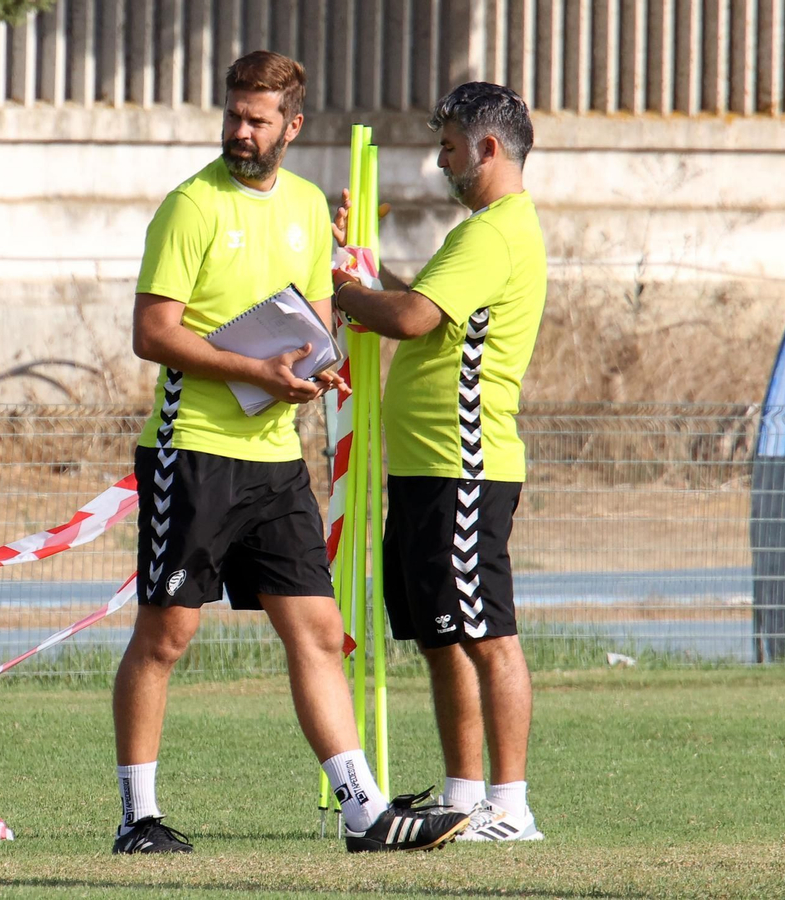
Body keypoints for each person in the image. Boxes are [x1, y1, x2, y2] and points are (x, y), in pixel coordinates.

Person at [111, 49, 470, 855]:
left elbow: (313, 323)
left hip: (277, 460)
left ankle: (361, 811)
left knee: (316, 630)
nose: (240, 131)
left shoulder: (309, 207)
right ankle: (138, 820)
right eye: (233, 115)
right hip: (193, 453)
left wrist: (319, 366)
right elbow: (152, 333)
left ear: (292, 126)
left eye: (257, 119)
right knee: (165, 636)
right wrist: (254, 371)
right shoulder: (189, 208)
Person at [331, 82, 547, 842]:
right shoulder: (481, 234)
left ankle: (511, 808)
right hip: (425, 469)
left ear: (489, 149)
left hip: (466, 466)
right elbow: (421, 308)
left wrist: (342, 290)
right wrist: (360, 277)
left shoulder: (495, 232)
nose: (440, 160)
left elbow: (411, 317)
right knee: (440, 634)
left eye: (450, 147)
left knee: (486, 633)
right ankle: (465, 799)